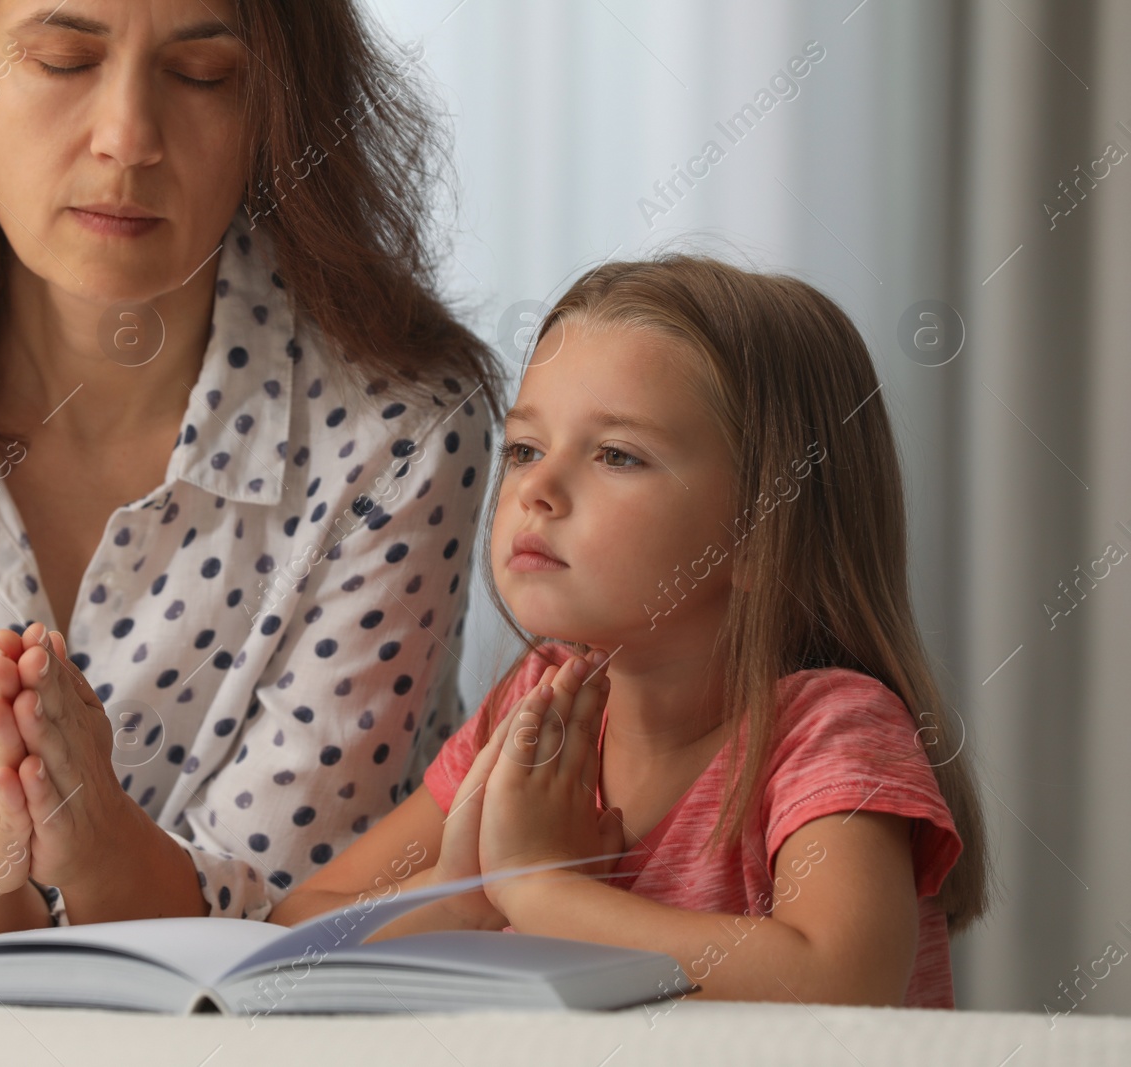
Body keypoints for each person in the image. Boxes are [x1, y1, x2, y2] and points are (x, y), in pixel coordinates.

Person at [0, 0, 500, 943]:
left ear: (276, 108)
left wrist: (92, 844)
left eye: (205, 75)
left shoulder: (397, 429)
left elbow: (296, 921)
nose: (128, 140)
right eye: (62, 59)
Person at [271, 255, 990, 1008]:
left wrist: (538, 891)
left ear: (760, 531)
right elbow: (295, 931)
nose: (537, 492)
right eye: (524, 449)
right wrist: (462, 893)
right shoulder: (533, 705)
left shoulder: (830, 732)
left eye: (616, 454)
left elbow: (839, 980)